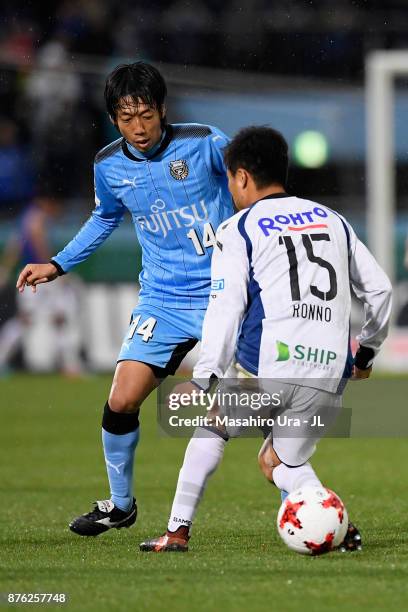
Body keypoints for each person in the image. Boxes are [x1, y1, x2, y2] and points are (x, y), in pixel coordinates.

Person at [140, 126, 392, 553]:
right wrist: (365, 353)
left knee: (212, 429)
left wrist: (204, 378)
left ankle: (177, 531)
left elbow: (225, 307)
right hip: (329, 372)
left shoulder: (238, 228)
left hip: (272, 366)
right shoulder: (334, 220)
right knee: (278, 462)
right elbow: (381, 290)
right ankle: (338, 526)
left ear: (240, 177)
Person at [16, 62, 234, 536]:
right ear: (114, 117)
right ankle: (121, 505)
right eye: (126, 117)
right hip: (163, 297)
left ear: (163, 110)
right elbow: (103, 219)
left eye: (146, 115)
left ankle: (300, 497)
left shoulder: (205, 142)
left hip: (227, 292)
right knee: (122, 398)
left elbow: (250, 187)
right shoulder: (108, 164)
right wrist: (57, 263)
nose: (138, 127)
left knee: (266, 401)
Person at [0, 185, 83, 375]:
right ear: (49, 202)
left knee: (28, 319)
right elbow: (38, 240)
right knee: (57, 318)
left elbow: (15, 245)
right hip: (40, 274)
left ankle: (70, 365)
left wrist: (5, 268)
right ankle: (70, 366)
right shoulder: (37, 217)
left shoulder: (25, 217)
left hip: (29, 273)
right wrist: (53, 267)